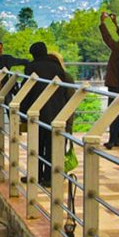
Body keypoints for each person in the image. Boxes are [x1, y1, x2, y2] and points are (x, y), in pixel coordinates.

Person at [22, 42, 75, 185]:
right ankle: (50, 177)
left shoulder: (32, 67)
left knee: (36, 145)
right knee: (52, 146)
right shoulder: (57, 68)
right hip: (56, 110)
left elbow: (27, 89)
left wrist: (22, 111)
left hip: (37, 111)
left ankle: (35, 174)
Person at [100, 11, 119, 148]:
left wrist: (103, 24)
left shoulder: (118, 48)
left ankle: (114, 139)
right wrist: (114, 23)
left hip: (115, 83)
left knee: (113, 111)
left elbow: (108, 38)